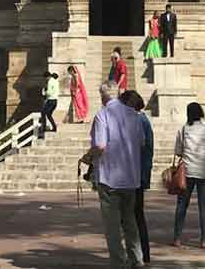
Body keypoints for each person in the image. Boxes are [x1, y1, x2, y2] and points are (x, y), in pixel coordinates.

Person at [82, 81, 144, 268]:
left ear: (102, 95)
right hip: (131, 176)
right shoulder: (134, 115)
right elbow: (141, 142)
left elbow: (100, 146)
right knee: (130, 221)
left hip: (110, 178)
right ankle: (137, 258)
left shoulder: (103, 115)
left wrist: (87, 157)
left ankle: (118, 262)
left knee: (112, 226)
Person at [173, 101, 205, 249]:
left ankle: (177, 238)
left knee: (181, 205)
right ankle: (204, 239)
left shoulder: (184, 130)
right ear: (201, 113)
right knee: (204, 207)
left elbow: (178, 151)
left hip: (187, 171)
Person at [121, 89, 153, 266]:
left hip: (134, 175)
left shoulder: (138, 120)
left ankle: (137, 255)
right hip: (139, 174)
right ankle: (142, 254)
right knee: (137, 215)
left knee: (132, 216)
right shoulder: (143, 120)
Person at [39, 71, 59, 137]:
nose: (46, 80)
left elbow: (49, 92)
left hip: (51, 100)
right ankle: (54, 127)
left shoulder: (50, 81)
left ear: (47, 77)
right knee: (48, 114)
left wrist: (44, 92)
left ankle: (44, 128)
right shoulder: (56, 81)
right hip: (55, 100)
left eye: (45, 78)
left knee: (43, 113)